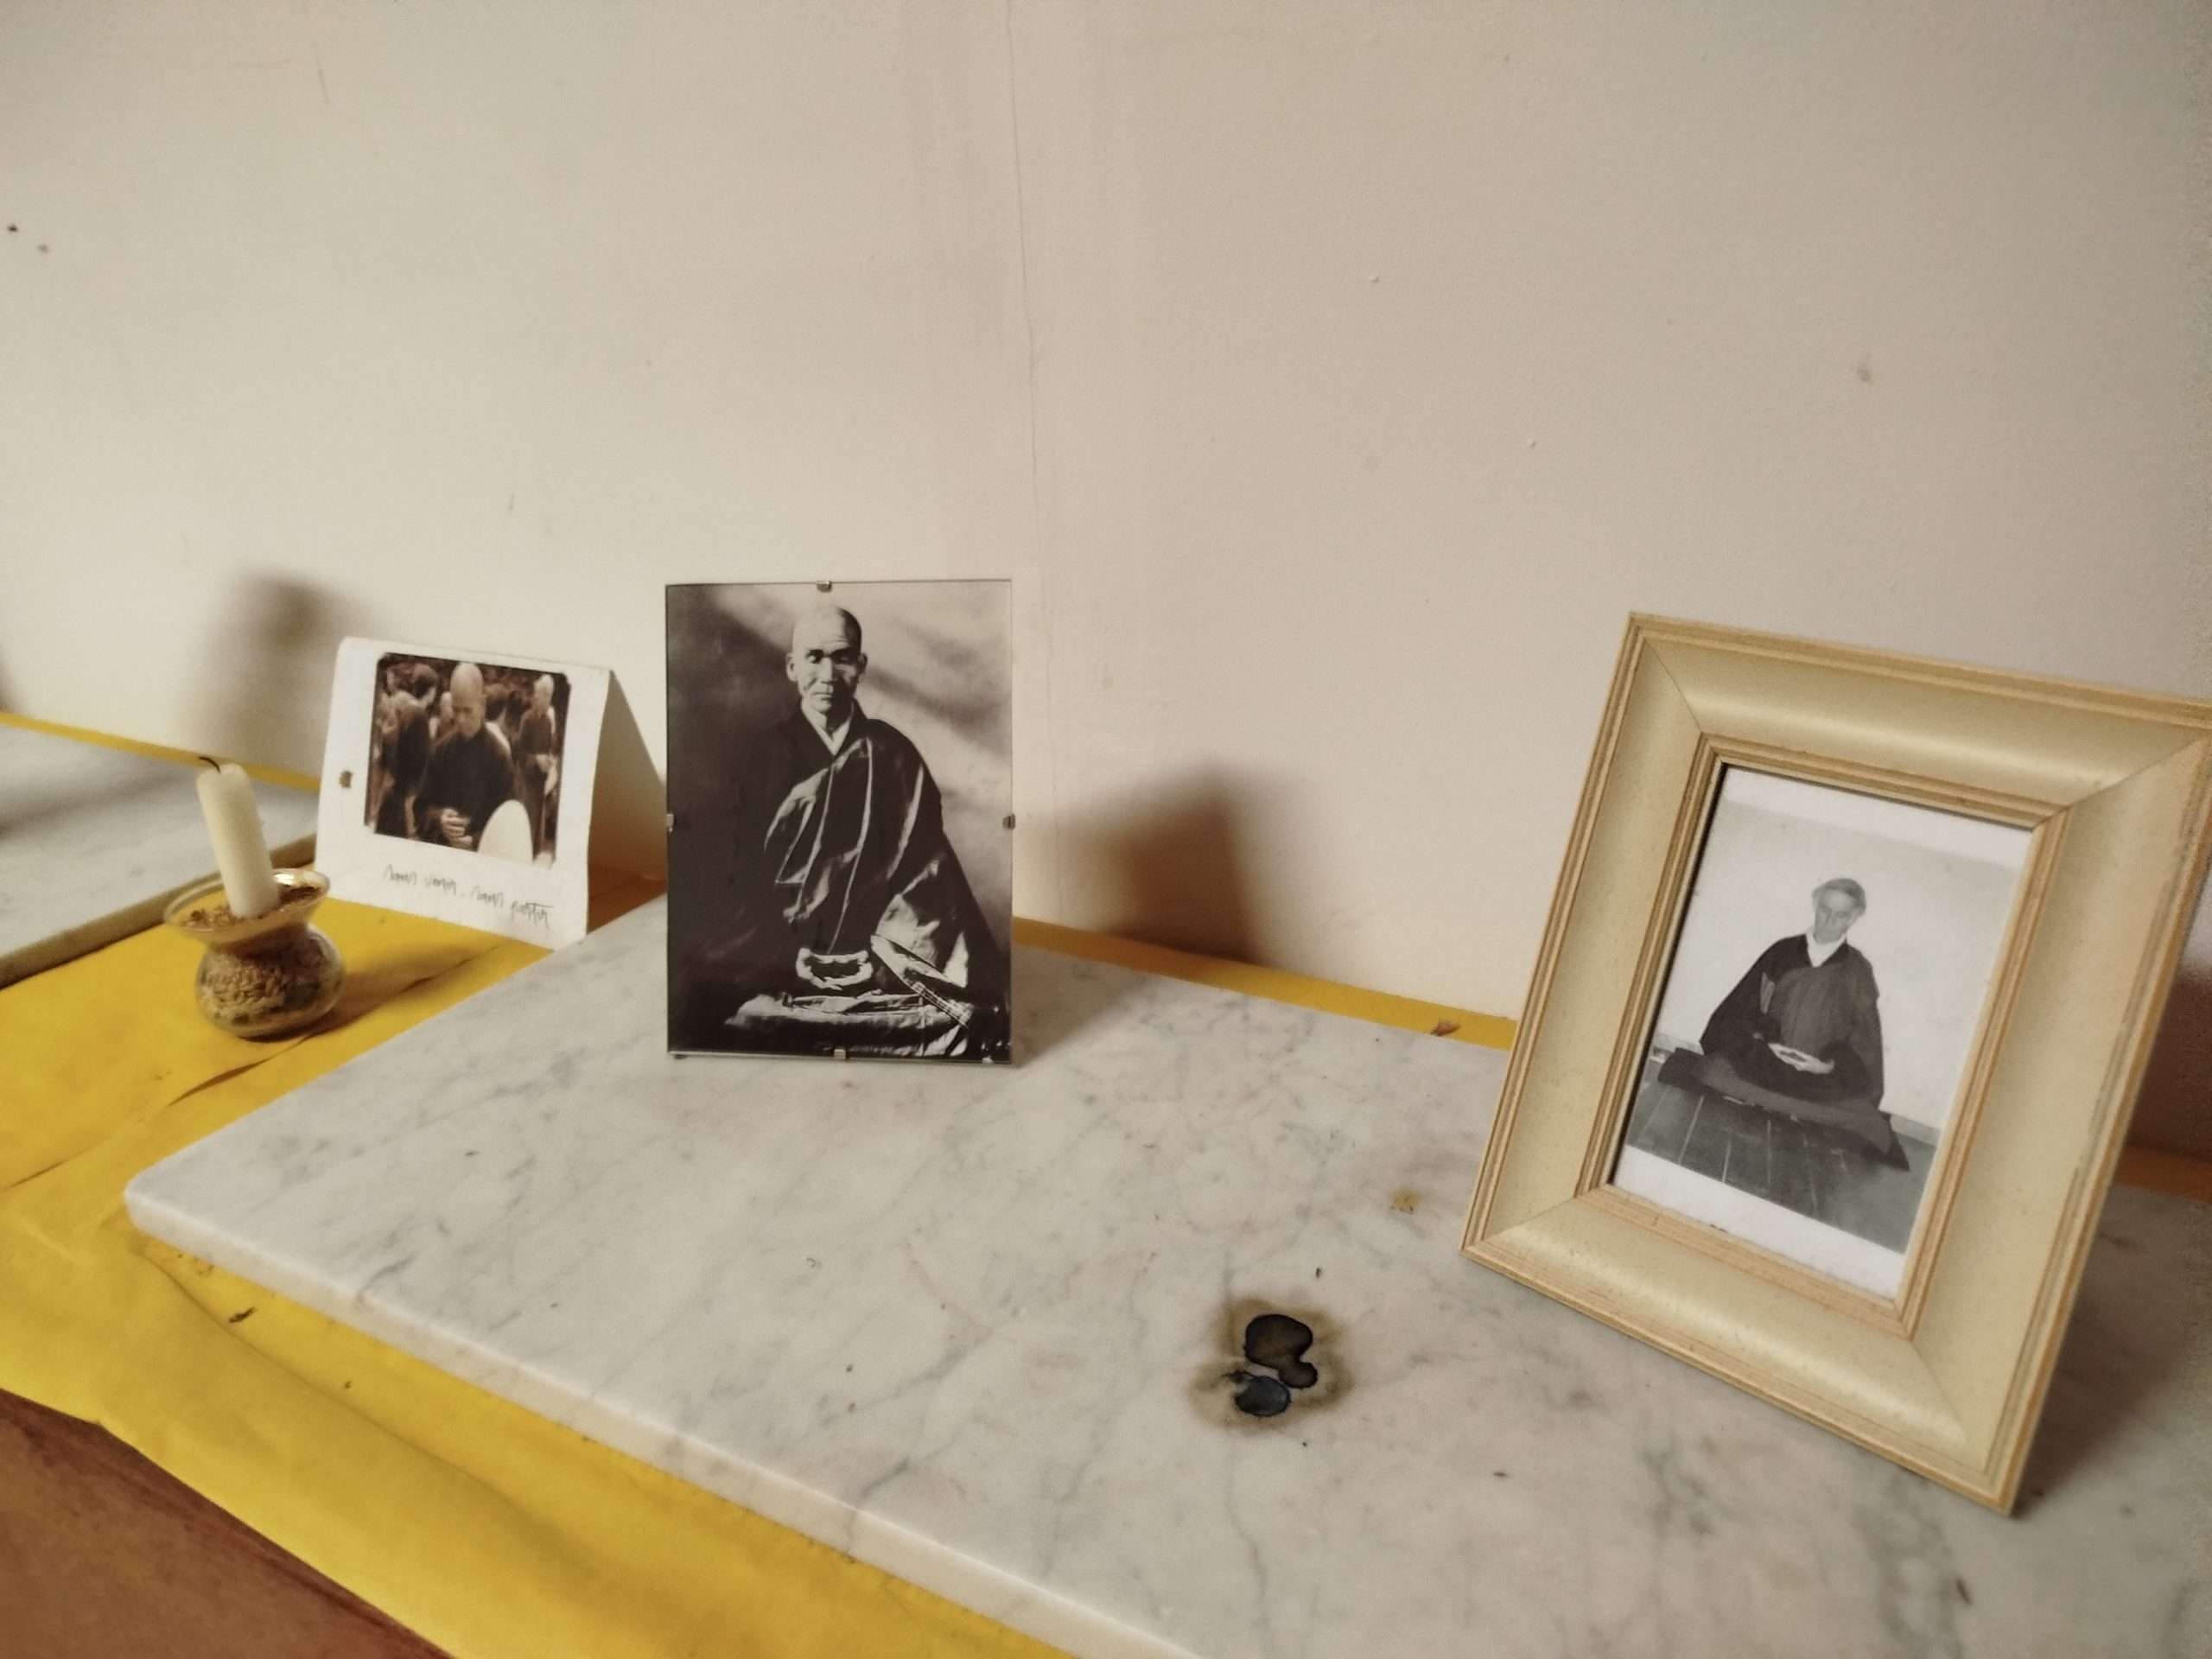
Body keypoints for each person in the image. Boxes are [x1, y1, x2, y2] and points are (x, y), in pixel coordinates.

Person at [680, 604, 1008, 1060]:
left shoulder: (894, 755)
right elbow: (737, 879)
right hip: (781, 963)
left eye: (842, 657)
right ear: (792, 667)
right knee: (732, 1016)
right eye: (814, 658)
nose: (828, 674)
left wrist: (875, 957)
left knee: (964, 1021)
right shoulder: (761, 758)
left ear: (861, 666)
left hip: (882, 965)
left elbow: (928, 879)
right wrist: (790, 954)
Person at [1663, 877, 1904, 1166]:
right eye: (1825, 910)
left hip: (1817, 1076)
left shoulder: (1858, 971)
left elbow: (1865, 1039)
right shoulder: (1782, 952)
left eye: (1841, 915)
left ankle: (1768, 1100)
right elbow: (1740, 1008)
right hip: (1768, 1061)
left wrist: (1828, 1066)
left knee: (1869, 1123)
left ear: (1853, 918)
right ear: (1815, 906)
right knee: (1711, 1070)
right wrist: (1764, 1046)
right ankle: (1794, 1108)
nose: (1829, 921)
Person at [413, 662, 517, 851]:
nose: (460, 719)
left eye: (467, 710)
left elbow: (508, 823)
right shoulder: (440, 751)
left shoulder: (500, 759)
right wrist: (439, 819)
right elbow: (420, 809)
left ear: (483, 704)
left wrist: (476, 841)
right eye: (456, 709)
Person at [511, 673, 561, 855]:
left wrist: (549, 760)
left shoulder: (548, 723)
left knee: (536, 831)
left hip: (539, 783)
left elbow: (549, 750)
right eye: (537, 694)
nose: (536, 697)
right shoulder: (527, 719)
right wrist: (536, 760)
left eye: (540, 694)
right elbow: (519, 754)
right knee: (525, 825)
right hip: (526, 782)